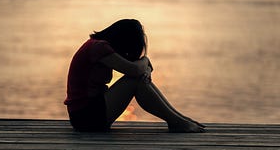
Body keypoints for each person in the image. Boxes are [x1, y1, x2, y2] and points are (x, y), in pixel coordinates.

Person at [64, 19, 205, 132]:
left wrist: (146, 69)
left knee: (138, 79)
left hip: (88, 114)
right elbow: (135, 69)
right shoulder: (99, 47)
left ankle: (179, 119)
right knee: (135, 80)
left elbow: (142, 69)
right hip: (85, 117)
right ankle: (177, 122)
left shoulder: (99, 46)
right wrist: (146, 60)